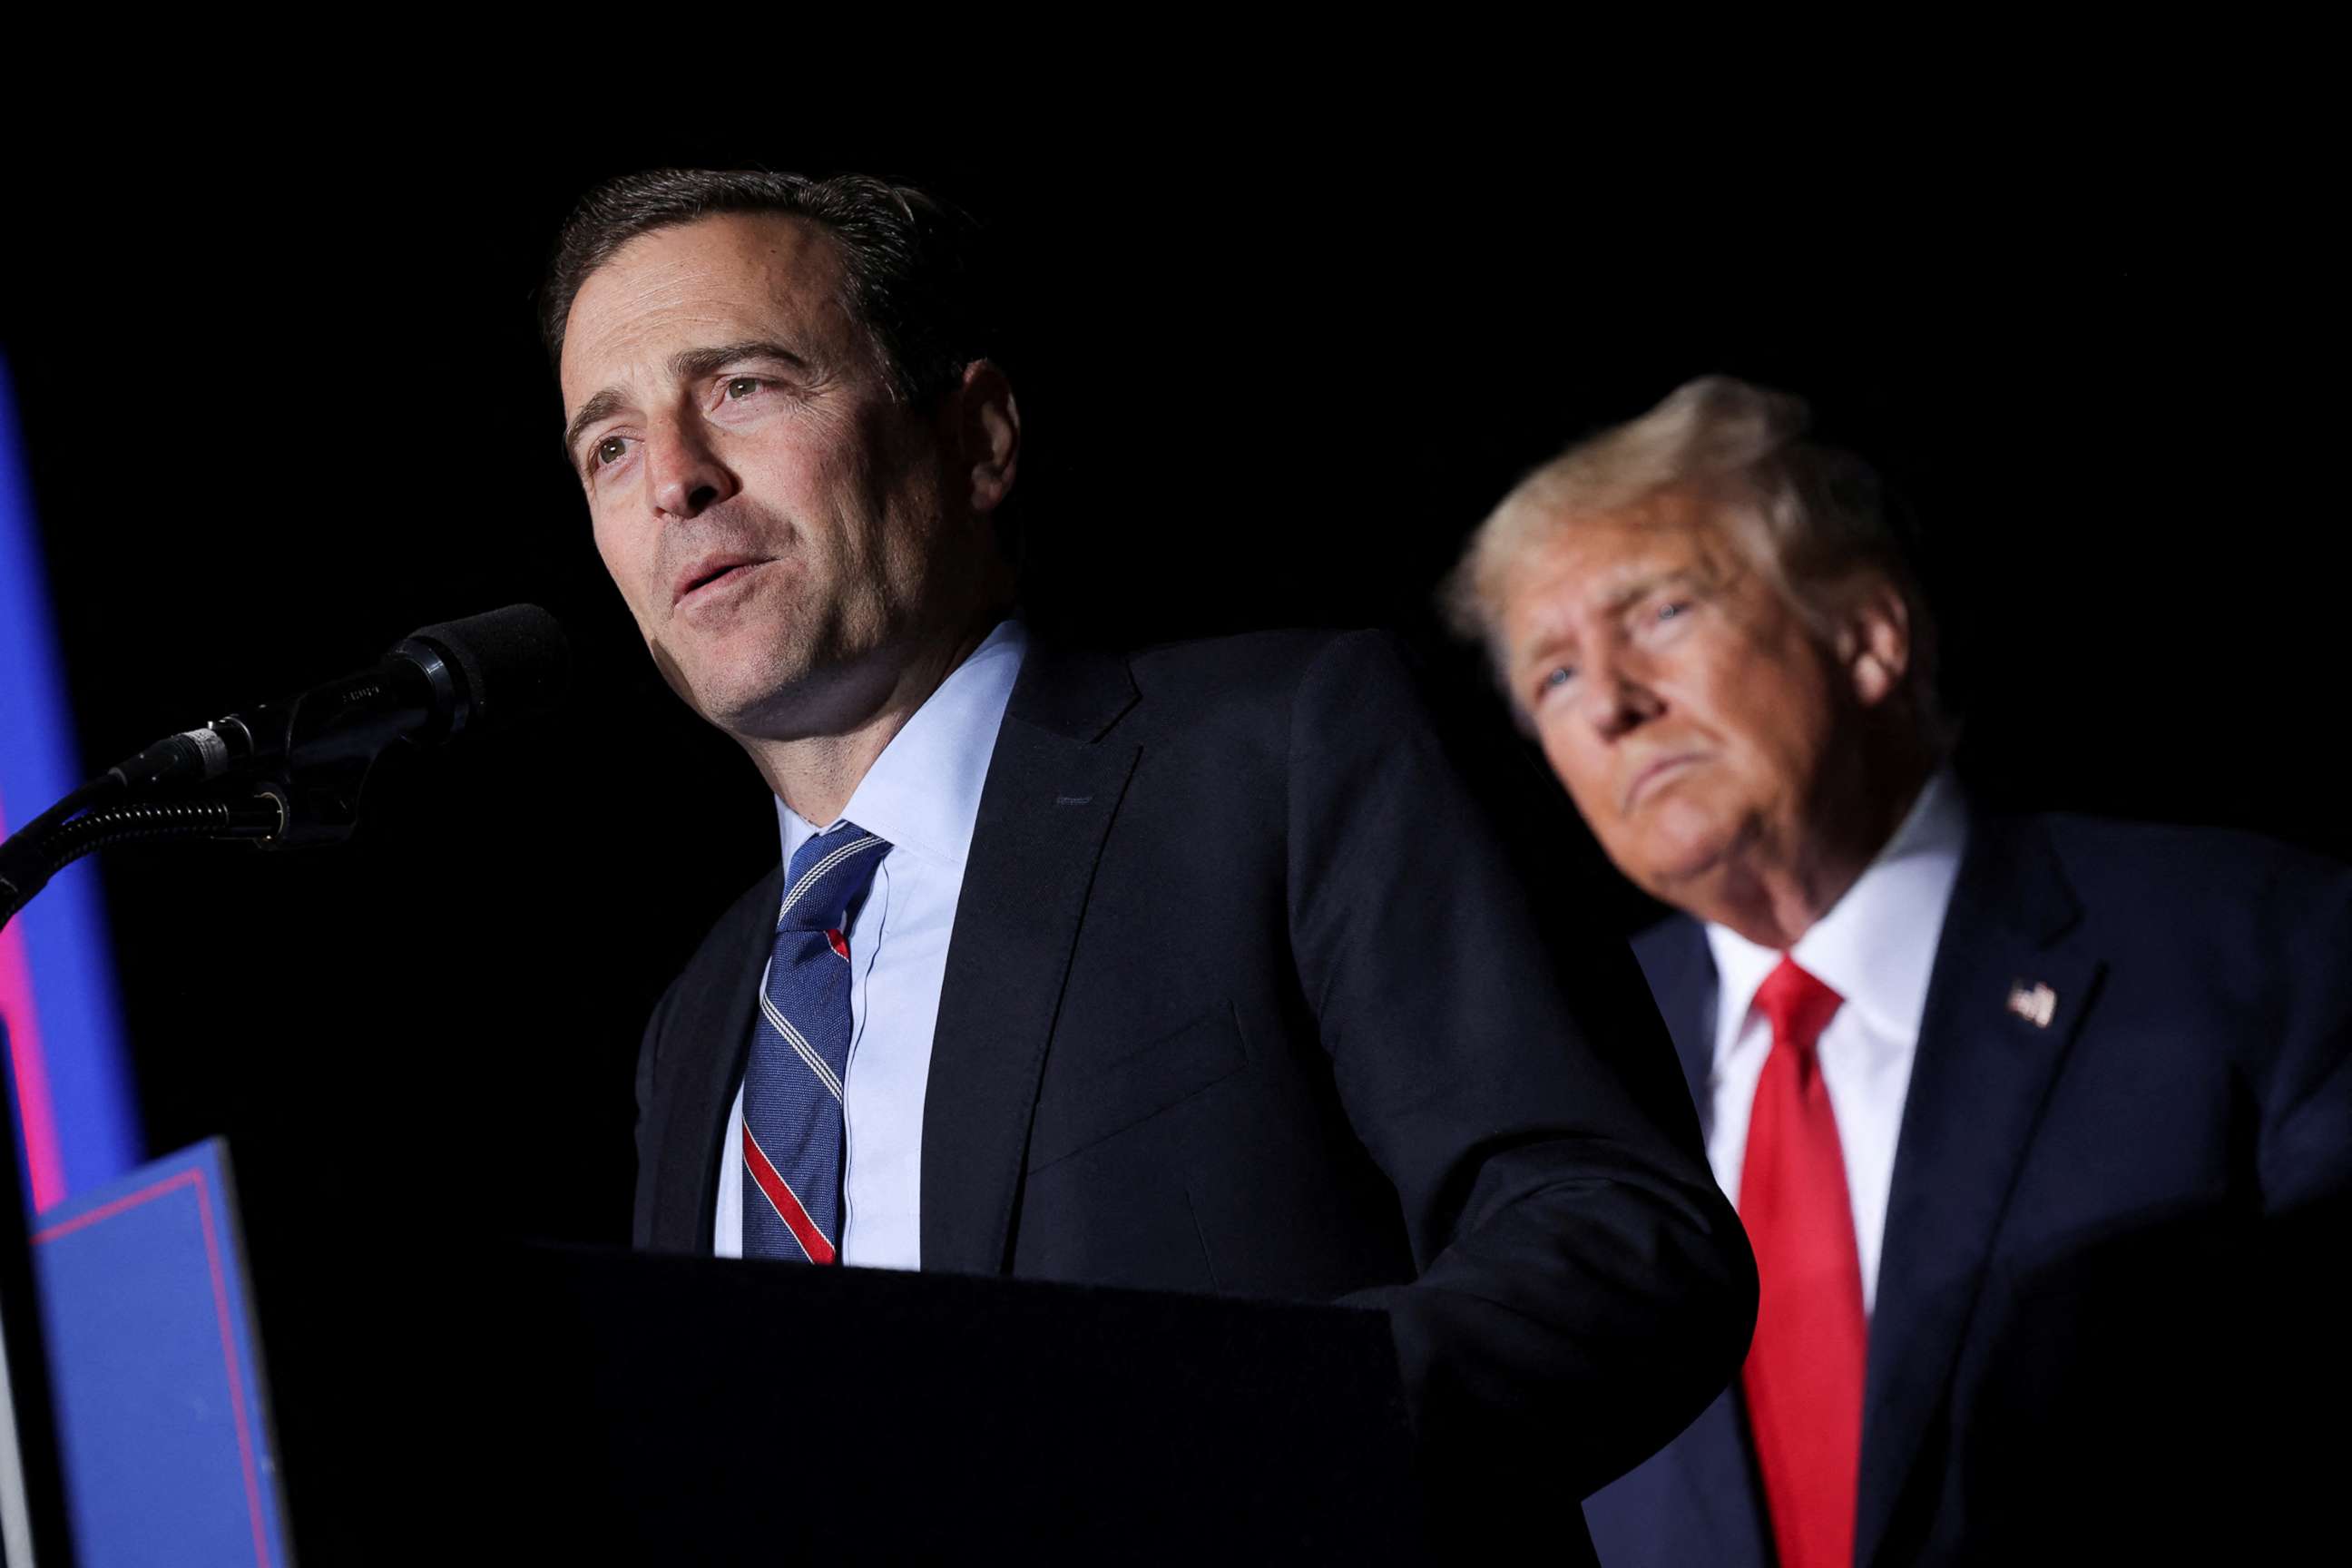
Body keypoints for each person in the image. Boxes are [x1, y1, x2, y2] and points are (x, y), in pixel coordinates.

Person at [543, 168, 1756, 1554]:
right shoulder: (699, 1020)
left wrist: (1179, 1445)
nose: (677, 481)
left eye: (746, 386)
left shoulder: (1288, 752)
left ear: (981, 438)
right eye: (609, 450)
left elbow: (1620, 1245)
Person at [1444, 374, 2352, 1565]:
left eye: (1660, 612)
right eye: (1553, 675)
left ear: (1869, 636)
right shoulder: (1551, 1070)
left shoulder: (2260, 939)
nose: (1610, 703)